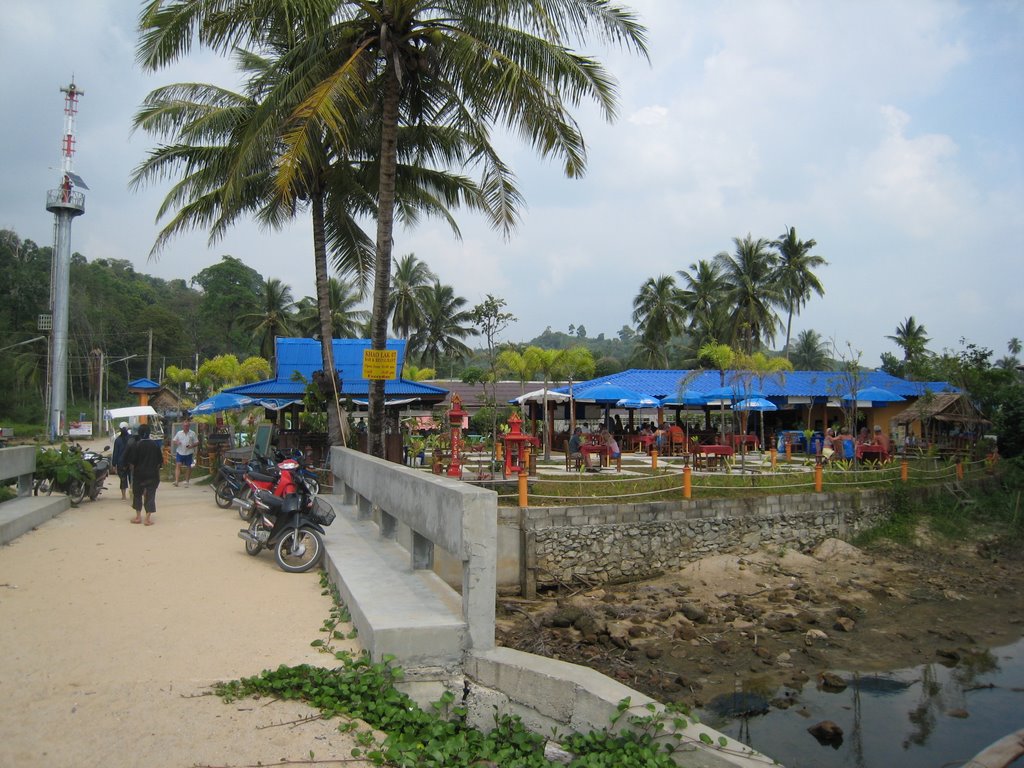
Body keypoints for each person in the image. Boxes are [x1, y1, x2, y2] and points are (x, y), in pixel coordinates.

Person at [125, 424, 163, 526]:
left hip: (139, 475)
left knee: (137, 495)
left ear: (139, 433)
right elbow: (160, 462)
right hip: (152, 475)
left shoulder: (136, 445)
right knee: (150, 495)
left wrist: (133, 472)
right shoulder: (155, 445)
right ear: (149, 433)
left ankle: (138, 517)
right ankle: (147, 519)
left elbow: (132, 462)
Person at [171, 419, 199, 486]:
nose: (185, 427)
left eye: (187, 426)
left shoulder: (192, 433)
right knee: (178, 465)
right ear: (182, 426)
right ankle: (177, 481)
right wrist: (177, 442)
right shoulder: (179, 433)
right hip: (180, 452)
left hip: (189, 452)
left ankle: (187, 481)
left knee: (188, 466)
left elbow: (197, 442)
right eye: (184, 426)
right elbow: (174, 440)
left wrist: (191, 446)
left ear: (189, 426)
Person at [111, 422, 134, 501]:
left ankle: (123, 496)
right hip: (131, 462)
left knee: (123, 480)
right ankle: (132, 494)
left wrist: (114, 464)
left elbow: (115, 453)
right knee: (132, 479)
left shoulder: (117, 440)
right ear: (127, 429)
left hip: (121, 463)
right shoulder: (132, 438)